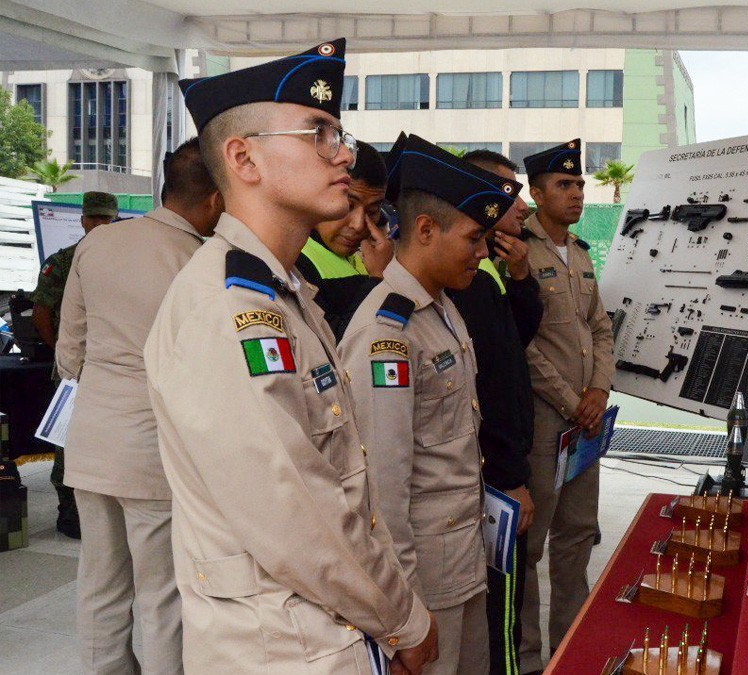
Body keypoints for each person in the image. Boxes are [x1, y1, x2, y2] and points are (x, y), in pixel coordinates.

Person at [144, 39, 437, 675]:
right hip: (282, 648)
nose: (344, 154)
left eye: (341, 134)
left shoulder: (281, 292)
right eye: (319, 133)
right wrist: (403, 619)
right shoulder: (227, 311)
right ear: (243, 158)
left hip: (321, 632)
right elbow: (297, 513)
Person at [339, 133, 522, 675]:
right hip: (424, 585)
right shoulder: (386, 334)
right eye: (474, 238)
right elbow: (382, 489)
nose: (485, 251)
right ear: (424, 230)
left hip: (462, 560)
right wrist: (404, 616)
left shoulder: (441, 309)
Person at [54, 140, 220, 674]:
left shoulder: (98, 244)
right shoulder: (200, 261)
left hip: (91, 439)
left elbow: (67, 352)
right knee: (163, 596)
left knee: (99, 585)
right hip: (156, 450)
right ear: (217, 199)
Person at [517, 139, 615, 674]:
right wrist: (572, 400)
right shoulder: (518, 251)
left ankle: (570, 646)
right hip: (546, 422)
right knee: (531, 550)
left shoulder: (578, 253)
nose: (576, 193)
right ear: (536, 193)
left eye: (579, 185)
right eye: (564, 185)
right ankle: (531, 658)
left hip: (586, 421)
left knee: (578, 534)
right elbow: (523, 346)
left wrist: (597, 393)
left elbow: (600, 329)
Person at [447, 149, 541, 675]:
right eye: (509, 194)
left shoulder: (487, 275)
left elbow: (514, 343)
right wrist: (509, 476)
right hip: (485, 482)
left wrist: (522, 279)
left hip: (488, 478)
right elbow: (495, 390)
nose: (521, 206)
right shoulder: (468, 282)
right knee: (493, 622)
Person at [30, 189, 117, 539]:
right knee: (69, 438)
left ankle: (106, 511)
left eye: (106, 219)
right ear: (82, 220)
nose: (99, 225)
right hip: (75, 367)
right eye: (93, 218)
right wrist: (61, 351)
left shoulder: (123, 260)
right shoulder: (62, 262)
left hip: (113, 363)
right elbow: (40, 312)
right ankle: (69, 512)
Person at [295, 142, 394, 338]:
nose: (358, 225)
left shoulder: (370, 256)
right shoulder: (294, 261)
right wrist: (379, 279)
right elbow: (341, 346)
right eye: (348, 205)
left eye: (372, 211)